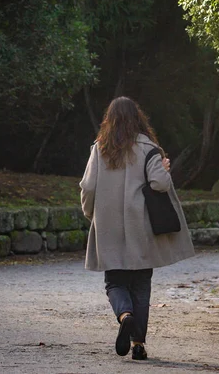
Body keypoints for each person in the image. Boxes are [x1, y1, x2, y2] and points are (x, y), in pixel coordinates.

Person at [79, 96, 195, 361]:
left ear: (109, 120)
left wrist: (91, 214)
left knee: (114, 282)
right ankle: (139, 345)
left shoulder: (100, 149)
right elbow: (159, 184)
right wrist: (164, 168)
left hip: (109, 228)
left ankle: (124, 315)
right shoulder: (149, 148)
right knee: (142, 285)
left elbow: (87, 187)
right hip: (140, 227)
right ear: (138, 118)